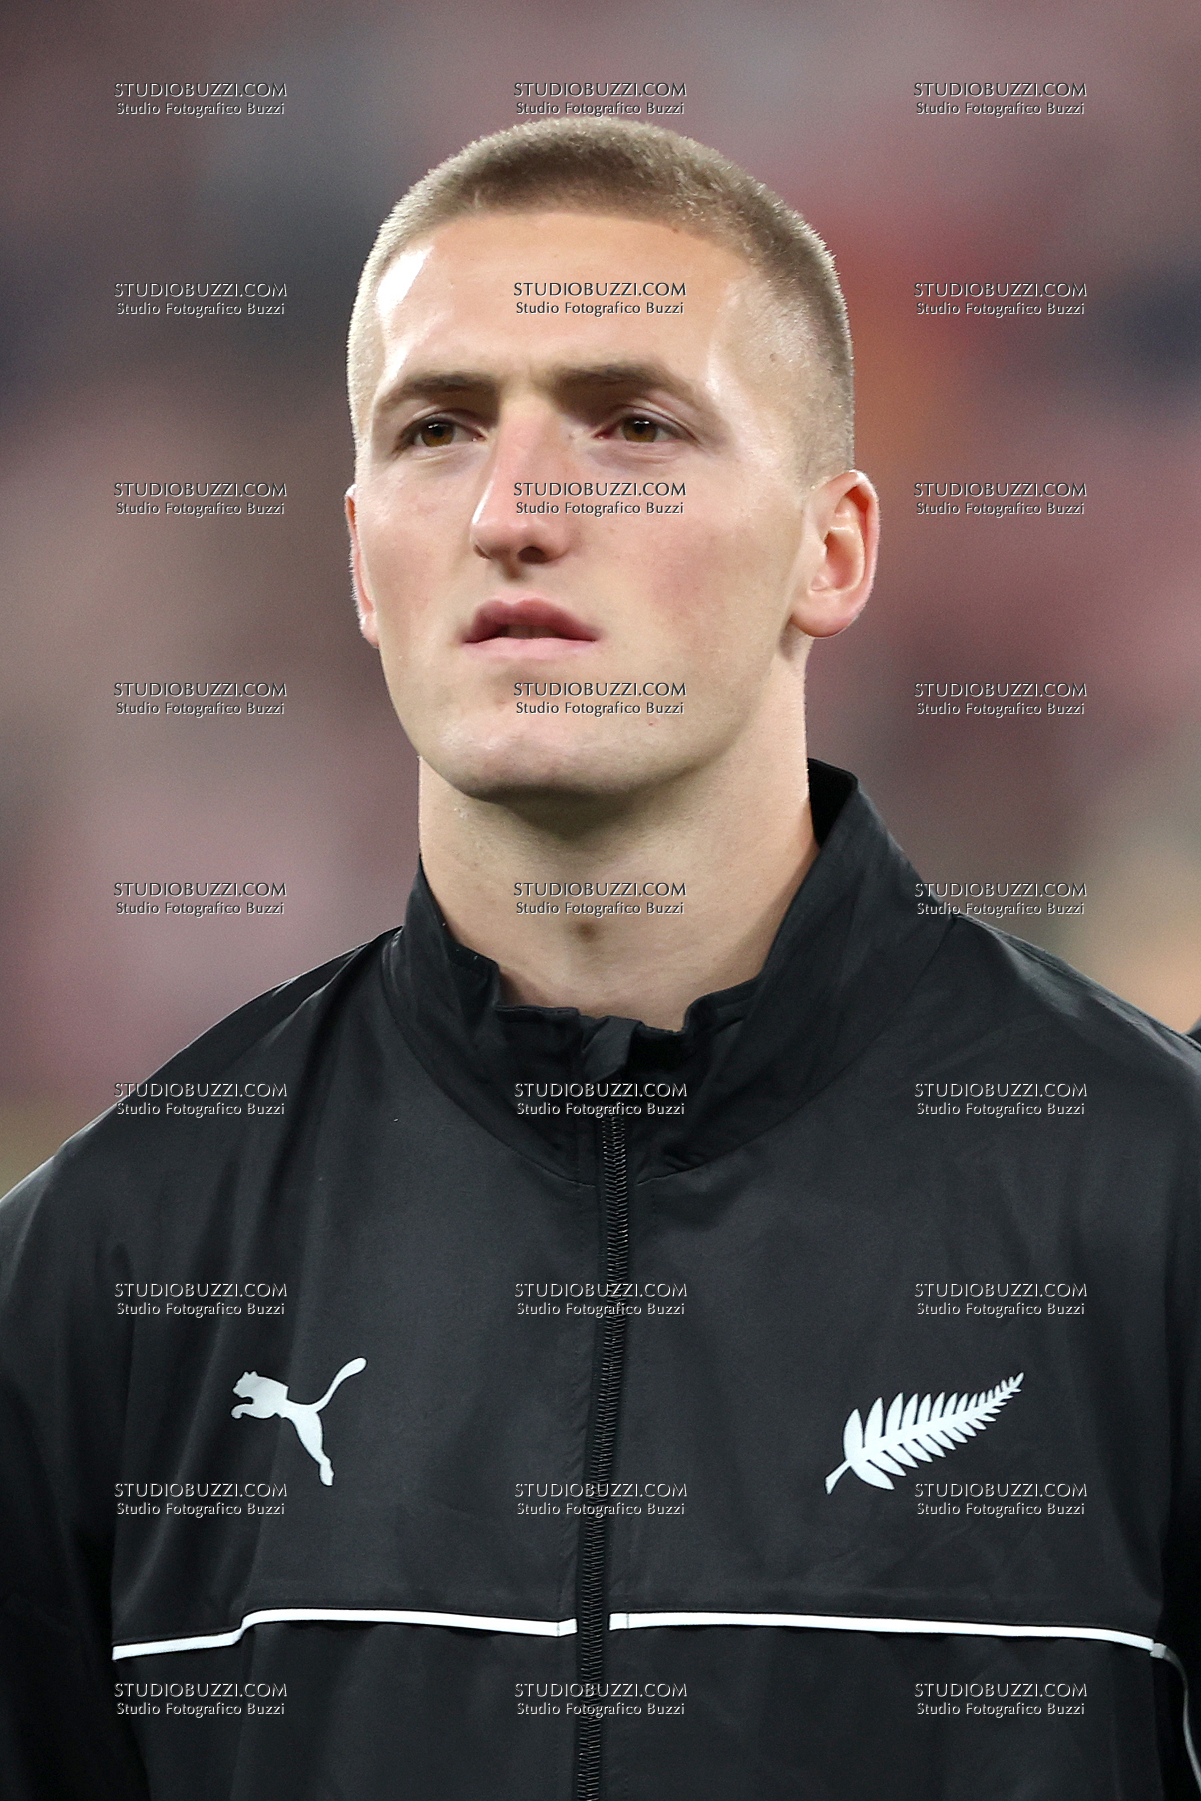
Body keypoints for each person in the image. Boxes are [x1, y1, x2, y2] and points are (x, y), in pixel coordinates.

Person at [2, 118, 1200, 1801]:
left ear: (833, 550)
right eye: (439, 429)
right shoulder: (108, 1267)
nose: (514, 511)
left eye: (634, 424)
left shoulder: (1154, 1205)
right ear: (360, 555)